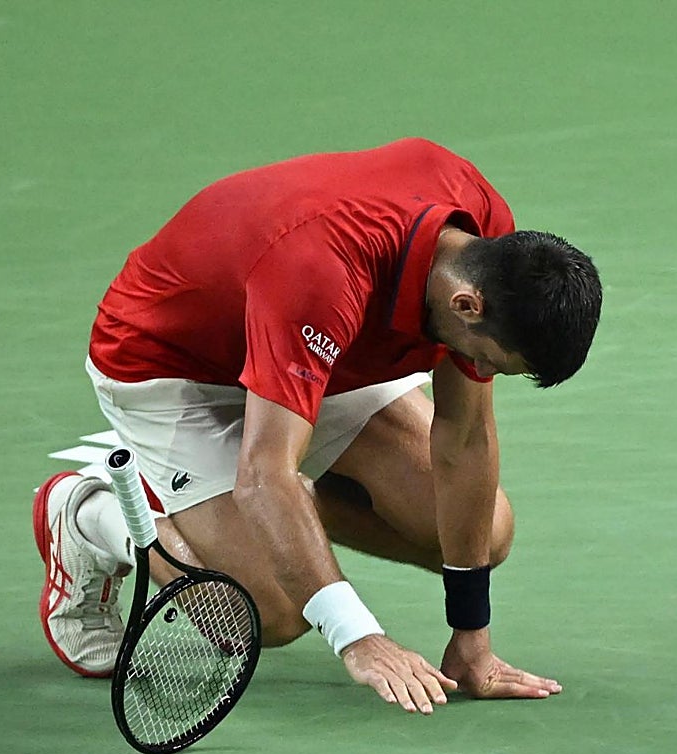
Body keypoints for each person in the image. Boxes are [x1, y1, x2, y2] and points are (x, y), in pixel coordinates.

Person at [31, 137, 602, 715]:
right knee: (267, 611)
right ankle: (88, 514)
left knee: (483, 531)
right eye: (488, 360)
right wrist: (360, 638)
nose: (477, 372)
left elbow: (464, 438)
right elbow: (265, 473)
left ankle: (268, 515)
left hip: (321, 346)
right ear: (465, 305)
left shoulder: (483, 240)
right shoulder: (321, 272)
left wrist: (472, 644)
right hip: (172, 364)